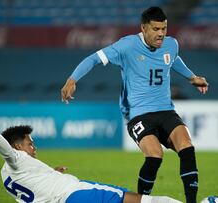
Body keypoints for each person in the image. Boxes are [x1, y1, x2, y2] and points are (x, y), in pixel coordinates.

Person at [61, 7, 208, 203]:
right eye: (156, 29)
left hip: (166, 110)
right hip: (138, 114)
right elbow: (95, 58)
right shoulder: (127, 45)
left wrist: (192, 77)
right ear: (144, 28)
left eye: (164, 28)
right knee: (155, 156)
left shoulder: (171, 44)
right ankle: (142, 201)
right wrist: (72, 79)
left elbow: (172, 60)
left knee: (187, 148)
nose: (161, 34)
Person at [0, 106, 182, 203]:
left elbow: (33, 186)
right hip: (76, 194)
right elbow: (4, 150)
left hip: (66, 197)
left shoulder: (8, 176)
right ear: (17, 147)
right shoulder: (14, 157)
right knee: (140, 201)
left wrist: (51, 173)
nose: (34, 148)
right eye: (30, 144)